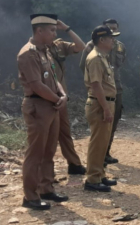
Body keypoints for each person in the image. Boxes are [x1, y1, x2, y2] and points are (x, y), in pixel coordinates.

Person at [17, 14, 69, 210]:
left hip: (52, 105)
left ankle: (46, 188)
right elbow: (36, 85)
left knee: (49, 150)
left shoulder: (45, 51)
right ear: (40, 31)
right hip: (38, 106)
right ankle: (30, 196)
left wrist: (62, 94)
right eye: (52, 30)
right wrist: (57, 99)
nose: (55, 34)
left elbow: (55, 78)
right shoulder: (27, 54)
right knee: (35, 153)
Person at [79, 19, 127, 164]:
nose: (113, 33)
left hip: (115, 89)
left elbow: (119, 67)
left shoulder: (120, 47)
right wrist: (94, 84)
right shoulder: (93, 48)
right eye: (109, 29)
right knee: (100, 127)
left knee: (112, 123)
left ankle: (105, 153)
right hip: (99, 90)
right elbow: (84, 66)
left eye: (114, 29)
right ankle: (97, 164)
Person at [83, 26, 120, 192]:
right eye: (111, 38)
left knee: (103, 142)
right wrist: (106, 108)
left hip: (105, 103)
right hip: (100, 104)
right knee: (98, 143)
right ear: (102, 40)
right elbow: (96, 85)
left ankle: (100, 174)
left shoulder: (103, 57)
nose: (113, 40)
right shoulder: (96, 58)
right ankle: (92, 179)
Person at [48, 20, 86, 175]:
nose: (54, 33)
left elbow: (80, 46)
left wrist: (67, 28)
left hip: (61, 98)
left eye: (55, 29)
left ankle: (74, 164)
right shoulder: (35, 50)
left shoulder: (59, 46)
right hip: (45, 98)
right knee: (47, 136)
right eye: (51, 30)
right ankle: (44, 173)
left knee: (65, 131)